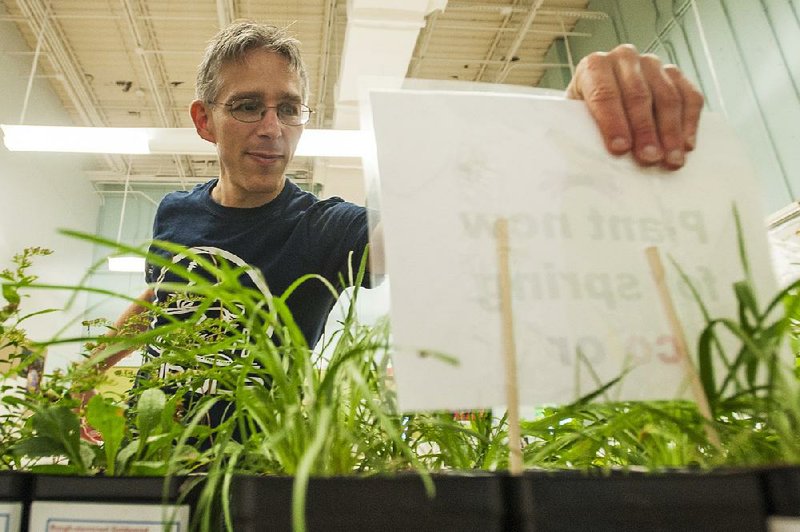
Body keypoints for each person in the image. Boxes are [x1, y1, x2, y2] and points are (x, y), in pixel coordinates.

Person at [83, 21, 704, 392]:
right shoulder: (174, 212)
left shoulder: (322, 227)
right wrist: (91, 368)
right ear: (203, 120)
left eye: (289, 108)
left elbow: (439, 227)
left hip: (259, 471)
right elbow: (167, 293)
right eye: (248, 106)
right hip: (154, 442)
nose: (273, 128)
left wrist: (562, 130)